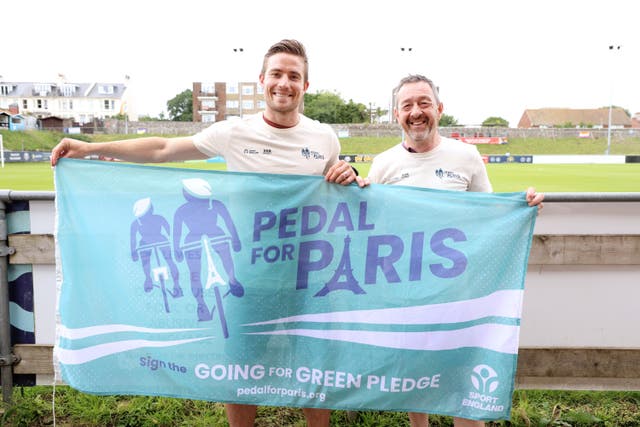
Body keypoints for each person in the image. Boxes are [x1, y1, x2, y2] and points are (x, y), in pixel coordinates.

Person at [51, 38, 365, 427]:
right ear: (262, 80)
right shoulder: (235, 132)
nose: (285, 83)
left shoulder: (323, 137)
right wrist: (90, 149)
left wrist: (350, 175)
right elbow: (164, 148)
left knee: (313, 373)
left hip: (307, 278)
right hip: (248, 277)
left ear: (306, 85)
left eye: (294, 76)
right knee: (239, 372)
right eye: (277, 74)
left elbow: (338, 188)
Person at [365, 74, 544, 427]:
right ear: (396, 115)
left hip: (460, 294)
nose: (416, 112)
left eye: (424, 103)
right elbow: (371, 229)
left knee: (461, 386)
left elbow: (490, 216)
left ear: (439, 109)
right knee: (416, 381)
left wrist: (523, 206)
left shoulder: (466, 156)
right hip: (408, 293)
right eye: (407, 105)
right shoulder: (384, 164)